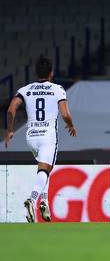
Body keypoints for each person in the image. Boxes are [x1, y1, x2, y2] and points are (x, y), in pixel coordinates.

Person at [4, 56, 77, 223]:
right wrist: (71, 125)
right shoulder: (57, 89)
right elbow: (65, 113)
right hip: (47, 136)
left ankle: (45, 201)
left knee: (44, 168)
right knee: (44, 169)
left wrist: (9, 131)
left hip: (31, 136)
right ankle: (33, 200)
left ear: (36, 73)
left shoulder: (25, 89)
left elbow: (11, 108)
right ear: (51, 73)